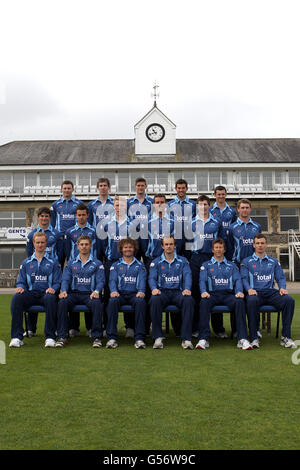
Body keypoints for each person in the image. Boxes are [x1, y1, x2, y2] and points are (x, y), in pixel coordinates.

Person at [240, 233, 296, 349]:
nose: (260, 245)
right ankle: (254, 337)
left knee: (289, 301)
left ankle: (285, 337)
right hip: (255, 292)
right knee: (251, 301)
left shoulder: (273, 261)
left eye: (262, 243)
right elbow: (244, 278)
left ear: (266, 245)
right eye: (258, 243)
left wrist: (282, 288)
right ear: (253, 245)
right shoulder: (246, 261)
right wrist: (249, 289)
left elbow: (280, 277)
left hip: (271, 293)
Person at [197, 238, 252, 350]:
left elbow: (237, 280)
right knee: (203, 302)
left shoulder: (232, 266)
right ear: (212, 250)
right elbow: (202, 281)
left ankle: (242, 339)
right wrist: (203, 291)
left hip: (228, 295)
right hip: (212, 295)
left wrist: (239, 292)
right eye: (216, 247)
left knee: (240, 302)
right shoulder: (206, 265)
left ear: (224, 249)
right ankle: (204, 339)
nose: (218, 250)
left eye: (220, 247)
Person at [9, 232, 62, 348]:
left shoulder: (53, 262)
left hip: (46, 294)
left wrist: (53, 288)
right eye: (37, 242)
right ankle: (16, 337)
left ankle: (50, 337)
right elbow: (21, 281)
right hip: (31, 294)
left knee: (51, 298)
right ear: (33, 243)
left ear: (46, 243)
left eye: (42, 242)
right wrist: (21, 287)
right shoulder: (26, 263)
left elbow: (58, 281)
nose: (40, 245)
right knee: (17, 298)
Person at [55, 235, 105, 348]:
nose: (84, 247)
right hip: (74, 294)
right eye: (81, 244)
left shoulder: (97, 263)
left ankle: (97, 337)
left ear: (91, 246)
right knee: (62, 302)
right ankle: (62, 336)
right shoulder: (71, 263)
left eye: (86, 244)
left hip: (90, 295)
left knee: (97, 303)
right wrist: (63, 291)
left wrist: (97, 291)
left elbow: (101, 281)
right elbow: (66, 279)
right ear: (77, 246)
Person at [148, 236, 195, 350]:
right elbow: (152, 278)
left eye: (171, 244)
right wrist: (154, 288)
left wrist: (187, 288)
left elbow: (188, 276)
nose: (169, 246)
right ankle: (158, 337)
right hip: (162, 292)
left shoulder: (183, 261)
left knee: (189, 300)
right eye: (166, 244)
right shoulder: (156, 262)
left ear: (175, 246)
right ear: (162, 246)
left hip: (178, 293)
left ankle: (186, 338)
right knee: (154, 300)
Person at [189, 195, 224, 337]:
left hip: (212, 258)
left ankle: (218, 329)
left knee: (215, 291)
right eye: (200, 205)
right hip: (196, 258)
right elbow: (186, 243)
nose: (203, 207)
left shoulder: (216, 222)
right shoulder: (191, 223)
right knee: (197, 293)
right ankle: (196, 328)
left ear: (209, 206)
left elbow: (221, 241)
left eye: (205, 204)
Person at [26, 206, 64, 336]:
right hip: (36, 269)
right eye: (41, 216)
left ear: (50, 217)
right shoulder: (32, 234)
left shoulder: (56, 233)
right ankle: (31, 329)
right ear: (38, 218)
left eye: (46, 216)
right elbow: (29, 253)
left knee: (54, 298)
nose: (44, 218)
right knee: (32, 293)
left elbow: (61, 252)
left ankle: (55, 328)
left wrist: (57, 265)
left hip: (52, 270)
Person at [64, 203, 100, 337]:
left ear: (88, 215)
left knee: (90, 293)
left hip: (91, 266)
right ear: (76, 216)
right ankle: (74, 328)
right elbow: (67, 251)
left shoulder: (94, 231)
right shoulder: (70, 232)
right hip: (75, 267)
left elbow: (99, 249)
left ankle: (91, 328)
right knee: (74, 291)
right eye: (79, 215)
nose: (81, 217)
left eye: (83, 215)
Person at [106, 238, 147, 349]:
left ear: (134, 249)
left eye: (130, 247)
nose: (128, 249)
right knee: (112, 301)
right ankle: (111, 338)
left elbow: (142, 280)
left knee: (140, 302)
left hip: (134, 295)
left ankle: (139, 338)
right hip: (120, 295)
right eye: (125, 247)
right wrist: (113, 291)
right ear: (121, 249)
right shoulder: (115, 265)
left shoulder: (140, 265)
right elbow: (112, 281)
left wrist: (141, 291)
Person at [209, 186, 237, 336]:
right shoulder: (210, 210)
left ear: (226, 195)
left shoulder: (232, 211)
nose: (221, 196)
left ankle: (236, 329)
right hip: (214, 251)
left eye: (223, 194)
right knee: (214, 289)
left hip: (229, 251)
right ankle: (218, 329)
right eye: (218, 194)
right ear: (214, 195)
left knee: (231, 290)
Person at [50, 180, 83, 265]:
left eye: (69, 188)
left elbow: (83, 220)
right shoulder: (55, 204)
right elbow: (52, 222)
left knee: (73, 263)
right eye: (65, 188)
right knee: (58, 263)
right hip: (60, 239)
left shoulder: (79, 203)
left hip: (74, 239)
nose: (67, 190)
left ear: (73, 189)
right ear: (61, 190)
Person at [168, 178, 196, 260]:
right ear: (176, 189)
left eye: (183, 188)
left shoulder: (193, 204)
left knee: (190, 260)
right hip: (176, 237)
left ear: (186, 189)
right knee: (175, 259)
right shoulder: (170, 204)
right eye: (179, 188)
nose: (181, 190)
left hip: (189, 238)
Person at [228, 198, 261, 267]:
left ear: (250, 209)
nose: (245, 210)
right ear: (238, 209)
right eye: (242, 208)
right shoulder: (232, 227)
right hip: (239, 264)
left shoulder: (257, 226)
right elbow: (230, 247)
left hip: (255, 263)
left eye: (247, 208)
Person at [88, 177, 114, 262]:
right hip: (96, 237)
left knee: (109, 261)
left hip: (110, 236)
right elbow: (89, 222)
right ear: (98, 188)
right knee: (96, 261)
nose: (103, 188)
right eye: (101, 186)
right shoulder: (92, 204)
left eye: (105, 185)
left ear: (109, 187)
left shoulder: (114, 203)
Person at [127, 177, 153, 260]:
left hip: (147, 235)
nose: (140, 187)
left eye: (142, 185)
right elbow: (126, 218)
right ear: (135, 186)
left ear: (146, 186)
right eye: (138, 185)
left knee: (148, 259)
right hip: (134, 235)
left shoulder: (151, 201)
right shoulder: (129, 202)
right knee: (134, 259)